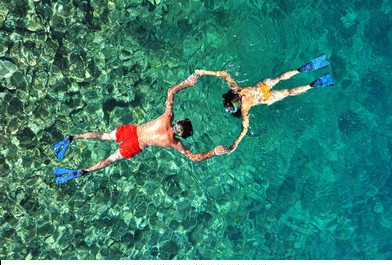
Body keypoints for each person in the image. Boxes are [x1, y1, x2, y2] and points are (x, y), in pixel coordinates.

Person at [53, 73, 228, 184]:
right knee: (110, 160)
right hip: (136, 145)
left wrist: (188, 83)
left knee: (105, 136)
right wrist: (214, 151)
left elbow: (171, 92)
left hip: (132, 131)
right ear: (182, 135)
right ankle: (84, 171)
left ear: (177, 122)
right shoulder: (175, 143)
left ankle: (73, 137)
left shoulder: (168, 117)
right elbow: (195, 158)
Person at [196, 54, 334, 154]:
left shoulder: (244, 110)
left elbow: (244, 129)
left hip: (265, 98)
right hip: (262, 86)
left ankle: (313, 85)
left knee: (288, 92)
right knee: (279, 78)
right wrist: (204, 72)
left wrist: (235, 144)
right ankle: (302, 69)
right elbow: (224, 74)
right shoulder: (237, 90)